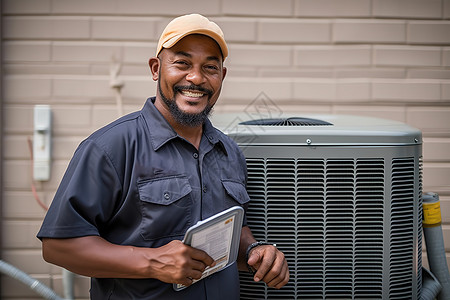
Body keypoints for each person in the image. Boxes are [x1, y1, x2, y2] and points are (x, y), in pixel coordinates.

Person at [37, 13, 289, 299]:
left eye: (210, 67)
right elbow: (58, 246)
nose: (196, 78)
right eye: (182, 63)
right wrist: (152, 262)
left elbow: (233, 230)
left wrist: (255, 251)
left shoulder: (229, 151)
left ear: (222, 76)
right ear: (156, 68)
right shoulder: (111, 147)